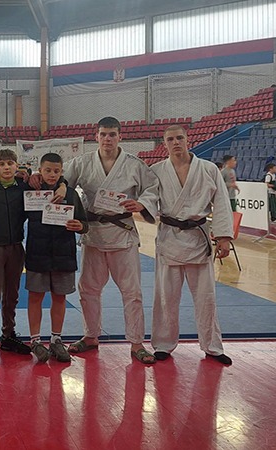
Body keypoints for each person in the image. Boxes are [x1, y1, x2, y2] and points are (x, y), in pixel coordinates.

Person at [35, 116, 159, 364]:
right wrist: (62, 186)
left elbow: (152, 188)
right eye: (103, 134)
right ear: (96, 137)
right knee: (89, 289)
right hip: (93, 233)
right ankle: (91, 336)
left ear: (120, 136)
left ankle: (137, 343)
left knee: (132, 292)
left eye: (112, 134)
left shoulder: (134, 164)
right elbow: (58, 178)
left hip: (122, 233)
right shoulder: (83, 162)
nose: (107, 139)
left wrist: (142, 203)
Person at [150, 125, 233, 365]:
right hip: (169, 238)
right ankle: (163, 344)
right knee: (166, 297)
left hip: (198, 238)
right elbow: (147, 201)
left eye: (179, 138)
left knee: (206, 297)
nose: (175, 142)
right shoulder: (156, 171)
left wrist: (224, 237)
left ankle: (212, 346)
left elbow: (221, 202)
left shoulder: (208, 169)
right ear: (164, 143)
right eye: (170, 139)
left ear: (188, 140)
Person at [25, 153, 88, 364]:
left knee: (60, 298)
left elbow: (84, 223)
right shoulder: (32, 192)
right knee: (35, 297)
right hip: (37, 253)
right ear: (40, 170)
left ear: (62, 172)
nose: (52, 174)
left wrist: (80, 226)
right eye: (48, 170)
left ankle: (56, 339)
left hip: (63, 254)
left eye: (56, 171)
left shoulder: (70, 193)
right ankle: (35, 340)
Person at [0, 149, 33, 365]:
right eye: (2, 164)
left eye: (10, 163)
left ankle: (8, 334)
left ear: (17, 166)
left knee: (12, 295)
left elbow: (50, 184)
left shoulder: (24, 187)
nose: (7, 167)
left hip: (16, 246)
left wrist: (61, 183)